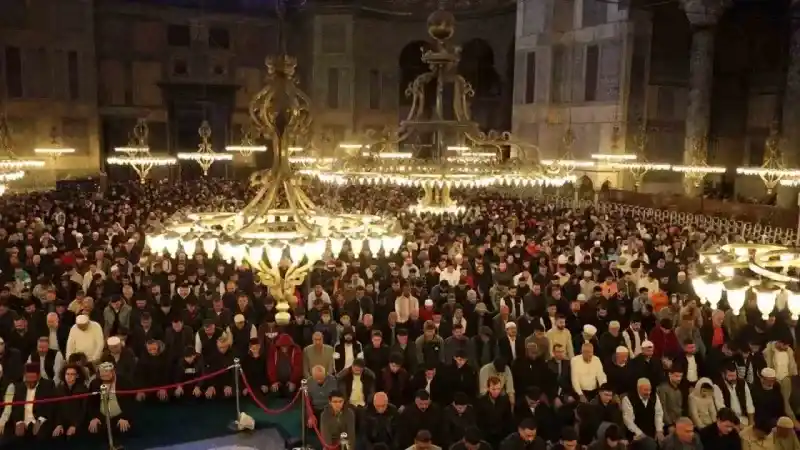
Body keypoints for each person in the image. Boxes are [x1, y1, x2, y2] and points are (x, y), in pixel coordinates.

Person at [0, 363, 56, 439]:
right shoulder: (18, 387)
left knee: (42, 435)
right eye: (28, 380)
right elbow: (14, 407)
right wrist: (18, 422)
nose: (30, 383)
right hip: (22, 421)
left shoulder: (48, 385)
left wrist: (40, 421)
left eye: (33, 380)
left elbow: (50, 407)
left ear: (39, 376)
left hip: (40, 420)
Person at [88, 362, 134, 435]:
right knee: (94, 427)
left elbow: (130, 403)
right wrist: (95, 417)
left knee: (124, 428)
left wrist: (124, 417)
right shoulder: (95, 383)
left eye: (107, 374)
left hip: (121, 416)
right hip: (102, 417)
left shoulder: (124, 382)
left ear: (113, 371)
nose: (105, 377)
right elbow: (92, 404)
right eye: (102, 376)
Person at [621, 378, 663, 450]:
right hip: (635, 434)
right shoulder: (628, 399)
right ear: (638, 389)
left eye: (649, 390)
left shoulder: (655, 397)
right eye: (645, 390)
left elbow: (658, 414)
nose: (648, 392)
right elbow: (628, 421)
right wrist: (640, 434)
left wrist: (659, 430)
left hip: (651, 432)